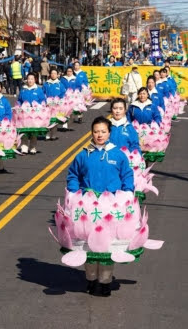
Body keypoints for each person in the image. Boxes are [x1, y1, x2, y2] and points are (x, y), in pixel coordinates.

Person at [66, 116, 134, 297]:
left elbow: (127, 176)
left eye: (103, 131)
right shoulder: (83, 154)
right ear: (91, 133)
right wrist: (73, 193)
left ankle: (105, 282)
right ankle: (91, 279)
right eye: (96, 131)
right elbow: (73, 175)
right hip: (88, 207)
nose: (99, 135)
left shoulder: (118, 155)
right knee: (88, 247)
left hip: (111, 206)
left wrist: (128, 193)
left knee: (107, 247)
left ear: (109, 133)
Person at [18, 74, 46, 154]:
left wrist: (39, 107)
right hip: (24, 113)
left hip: (35, 113)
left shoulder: (38, 90)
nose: (30, 80)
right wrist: (19, 106)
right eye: (28, 79)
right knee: (24, 131)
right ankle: (24, 147)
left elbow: (42, 100)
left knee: (34, 131)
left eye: (32, 79)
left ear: (35, 80)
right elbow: (19, 100)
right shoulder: (23, 89)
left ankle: (32, 147)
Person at [43, 68, 66, 140]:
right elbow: (42, 93)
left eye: (55, 73)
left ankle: (53, 134)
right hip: (48, 104)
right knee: (47, 120)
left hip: (57, 105)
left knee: (55, 120)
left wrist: (59, 100)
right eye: (52, 73)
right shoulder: (46, 84)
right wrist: (46, 101)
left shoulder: (60, 84)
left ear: (57, 75)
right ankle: (47, 133)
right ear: (50, 74)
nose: (53, 75)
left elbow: (63, 94)